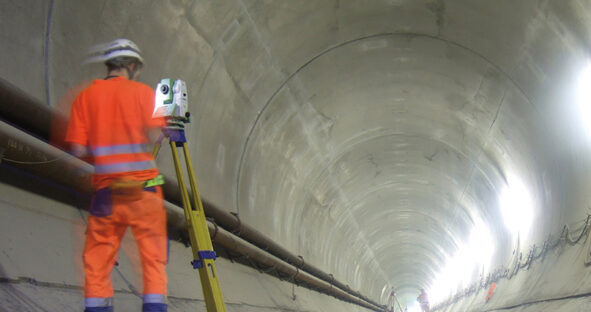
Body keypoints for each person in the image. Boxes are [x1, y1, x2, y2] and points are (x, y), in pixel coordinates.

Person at [65, 38, 167, 312]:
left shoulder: (84, 98)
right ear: (132, 66)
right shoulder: (144, 94)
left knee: (97, 263)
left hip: (106, 195)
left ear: (110, 65)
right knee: (153, 261)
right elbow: (156, 137)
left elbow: (77, 149)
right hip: (145, 191)